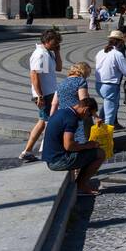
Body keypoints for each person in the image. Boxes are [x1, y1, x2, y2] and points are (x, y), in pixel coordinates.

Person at [42, 96, 104, 197]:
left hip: (51, 158)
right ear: (86, 110)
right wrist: (87, 145)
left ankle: (81, 182)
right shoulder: (72, 119)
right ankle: (81, 185)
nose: (87, 118)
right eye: (89, 115)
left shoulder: (63, 112)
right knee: (100, 153)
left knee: (88, 151)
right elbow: (69, 146)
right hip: (58, 161)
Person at [19, 30, 63, 162]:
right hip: (45, 94)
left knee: (43, 122)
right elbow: (34, 75)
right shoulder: (39, 54)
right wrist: (39, 95)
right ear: (47, 41)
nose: (57, 44)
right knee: (49, 122)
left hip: (49, 92)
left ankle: (27, 151)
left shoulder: (48, 52)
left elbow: (59, 68)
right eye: (55, 42)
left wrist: (57, 51)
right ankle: (46, 150)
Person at [94, 31, 126, 129]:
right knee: (110, 116)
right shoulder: (117, 54)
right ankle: (106, 138)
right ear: (121, 42)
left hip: (99, 84)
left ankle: (99, 129)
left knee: (106, 105)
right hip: (110, 86)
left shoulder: (100, 52)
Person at [50, 61, 99, 142]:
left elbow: (54, 104)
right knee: (83, 141)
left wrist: (51, 120)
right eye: (88, 74)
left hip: (64, 118)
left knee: (68, 141)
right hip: (79, 117)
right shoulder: (80, 81)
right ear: (84, 71)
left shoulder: (61, 83)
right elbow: (84, 101)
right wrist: (95, 116)